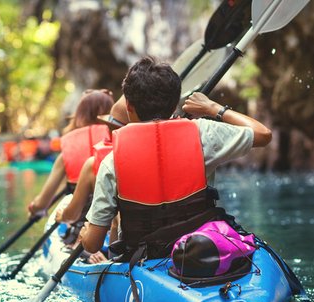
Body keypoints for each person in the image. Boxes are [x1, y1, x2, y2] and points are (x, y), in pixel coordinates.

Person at [77, 56, 272, 265]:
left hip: (144, 260)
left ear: (128, 106)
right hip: (202, 252)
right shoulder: (202, 133)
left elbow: (93, 244)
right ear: (174, 103)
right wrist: (213, 108)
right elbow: (263, 134)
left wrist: (84, 233)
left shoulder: (112, 162)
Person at [55, 96, 128, 263]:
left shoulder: (96, 163)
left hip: (103, 242)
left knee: (82, 242)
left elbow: (73, 216)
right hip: (142, 248)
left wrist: (62, 218)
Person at [27, 89, 114, 217]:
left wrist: (34, 208)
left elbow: (42, 203)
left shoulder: (66, 152)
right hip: (114, 219)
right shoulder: (120, 140)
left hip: (79, 220)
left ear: (80, 114)